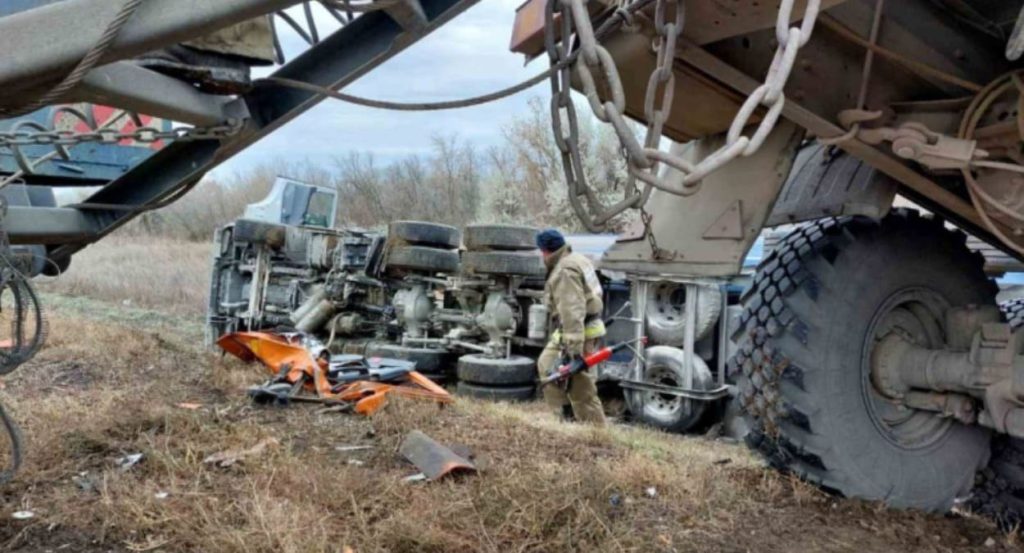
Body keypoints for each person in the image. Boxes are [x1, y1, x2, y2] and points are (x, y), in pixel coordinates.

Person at [535, 229, 607, 426]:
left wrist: (574, 351)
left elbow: (572, 310)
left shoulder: (565, 270)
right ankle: (566, 417)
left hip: (578, 330)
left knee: (580, 384)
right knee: (547, 365)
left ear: (545, 251)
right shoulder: (578, 258)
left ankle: (596, 431)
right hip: (580, 326)